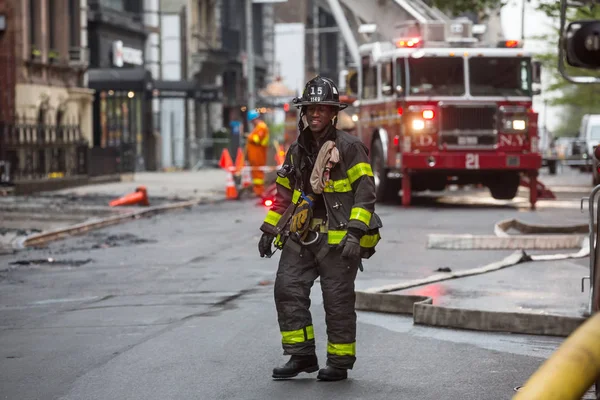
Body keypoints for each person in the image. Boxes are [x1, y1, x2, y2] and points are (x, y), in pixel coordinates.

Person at [257, 76, 382, 381]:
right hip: (302, 236)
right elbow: (283, 197)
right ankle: (301, 356)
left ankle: (339, 363)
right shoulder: (297, 151)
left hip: (339, 241)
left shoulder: (350, 148)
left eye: (322, 109)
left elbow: (366, 195)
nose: (315, 114)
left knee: (337, 300)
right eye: (310, 108)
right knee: (287, 289)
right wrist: (269, 230)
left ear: (332, 113)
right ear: (304, 112)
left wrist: (354, 233)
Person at [246, 110, 270, 196]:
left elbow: (257, 139)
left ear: (254, 119)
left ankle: (259, 191)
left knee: (258, 173)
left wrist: (250, 136)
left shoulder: (261, 127)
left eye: (252, 121)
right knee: (256, 172)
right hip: (255, 154)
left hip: (258, 154)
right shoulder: (258, 128)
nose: (251, 123)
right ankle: (257, 190)